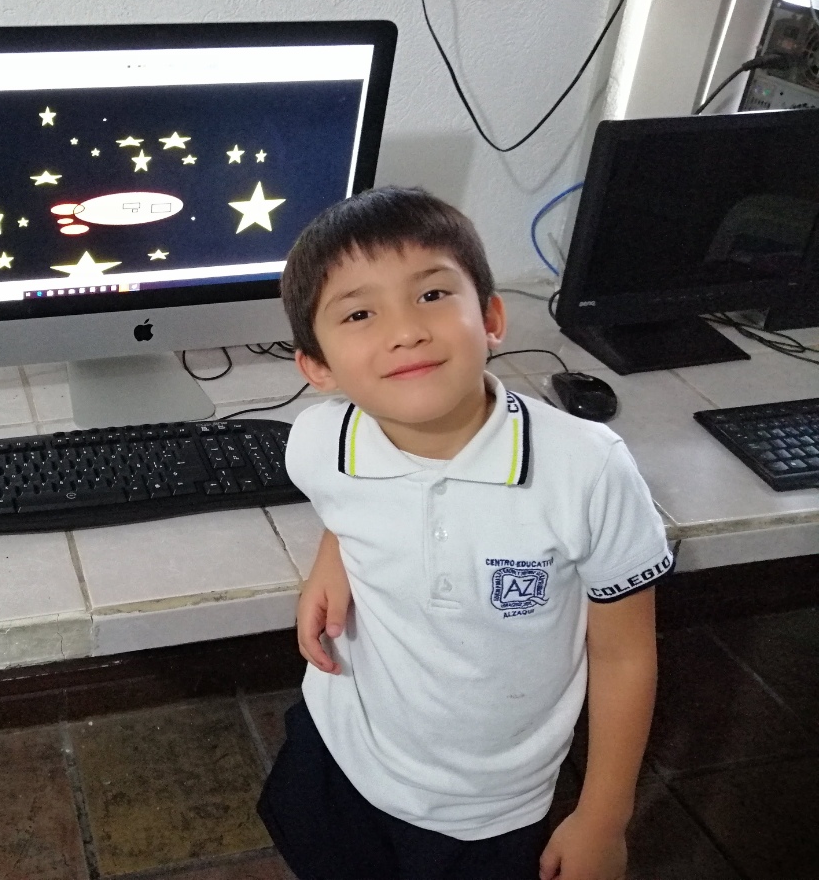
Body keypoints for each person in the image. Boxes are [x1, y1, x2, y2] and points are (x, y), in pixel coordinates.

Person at [256, 187, 670, 880]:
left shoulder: (588, 468)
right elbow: (347, 500)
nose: (405, 331)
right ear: (318, 367)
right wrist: (335, 555)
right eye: (359, 313)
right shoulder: (316, 441)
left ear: (492, 318)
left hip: (490, 804)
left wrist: (604, 817)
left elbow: (625, 655)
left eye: (431, 295)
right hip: (343, 745)